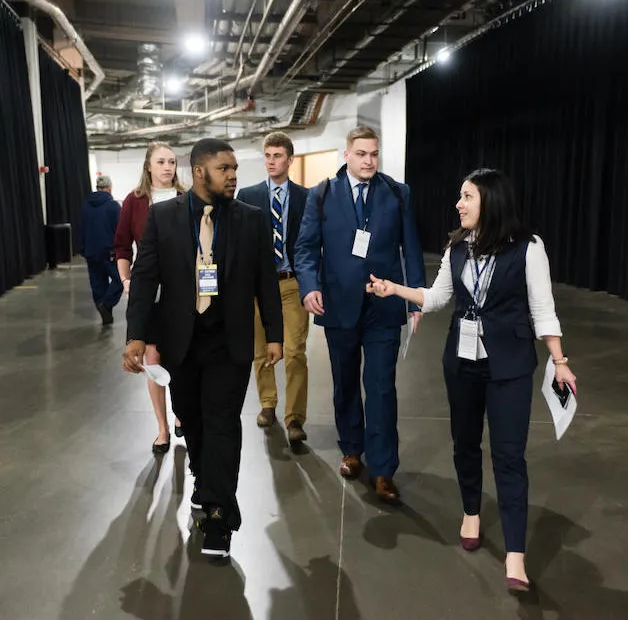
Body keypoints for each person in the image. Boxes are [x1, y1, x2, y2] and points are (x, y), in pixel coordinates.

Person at [365, 168, 577, 591]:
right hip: (461, 364)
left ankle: (515, 555)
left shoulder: (528, 248)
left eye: (467, 197)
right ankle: (471, 512)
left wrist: (560, 360)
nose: (458, 205)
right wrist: (396, 290)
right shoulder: (457, 246)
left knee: (509, 455)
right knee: (464, 444)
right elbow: (439, 297)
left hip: (510, 366)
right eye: (460, 197)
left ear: (490, 202)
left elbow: (543, 309)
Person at [122, 138, 283, 559]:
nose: (233, 176)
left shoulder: (251, 219)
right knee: (191, 419)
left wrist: (274, 334)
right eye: (224, 169)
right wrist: (136, 335)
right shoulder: (162, 217)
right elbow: (144, 280)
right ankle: (202, 474)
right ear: (199, 172)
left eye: (234, 169)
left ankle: (218, 515)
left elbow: (266, 280)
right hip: (180, 342)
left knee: (223, 423)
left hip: (228, 343)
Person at [294, 125, 426, 504]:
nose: (369, 160)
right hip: (338, 304)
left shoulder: (398, 194)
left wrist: (416, 299)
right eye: (362, 154)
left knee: (382, 387)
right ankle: (352, 450)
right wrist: (309, 286)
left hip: (384, 306)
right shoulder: (322, 194)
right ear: (347, 155)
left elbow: (411, 249)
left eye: (374, 154)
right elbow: (305, 249)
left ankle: (384, 469)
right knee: (345, 381)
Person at [236, 132, 310, 443]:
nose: (271, 161)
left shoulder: (307, 197)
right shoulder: (248, 195)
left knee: (295, 352)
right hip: (257, 286)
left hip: (292, 282)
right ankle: (268, 404)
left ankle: (295, 418)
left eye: (277, 156)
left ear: (289, 160)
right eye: (267, 155)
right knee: (259, 350)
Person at [114, 142, 185, 454]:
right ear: (148, 166)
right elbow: (121, 246)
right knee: (153, 360)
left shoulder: (187, 199)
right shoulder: (135, 201)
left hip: (183, 294)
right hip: (149, 294)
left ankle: (182, 412)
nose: (168, 167)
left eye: (171, 162)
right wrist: (127, 279)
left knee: (182, 358)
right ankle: (162, 426)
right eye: (161, 162)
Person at [79, 175, 122, 325]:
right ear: (109, 189)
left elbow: (81, 228)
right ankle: (106, 305)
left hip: (90, 251)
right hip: (108, 251)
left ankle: (103, 309)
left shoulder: (85, 205)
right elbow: (120, 230)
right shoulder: (113, 206)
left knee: (98, 282)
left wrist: (83, 248)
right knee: (119, 280)